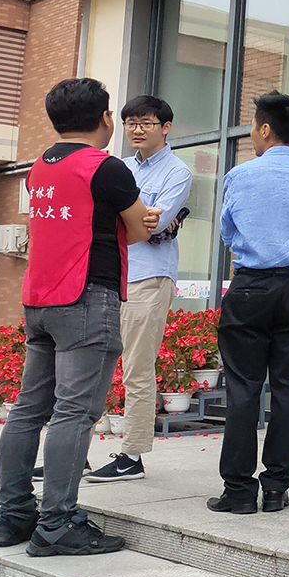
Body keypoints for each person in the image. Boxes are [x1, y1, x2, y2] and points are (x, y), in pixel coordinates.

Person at [0, 78, 160, 556]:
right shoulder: (106, 167)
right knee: (75, 412)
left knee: (28, 409)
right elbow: (138, 230)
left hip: (39, 300)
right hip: (87, 299)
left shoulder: (39, 168)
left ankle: (13, 515)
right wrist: (142, 220)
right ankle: (58, 523)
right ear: (105, 118)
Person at [209, 92, 289, 515]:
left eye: (252, 126)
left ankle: (239, 491)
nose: (251, 133)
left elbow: (228, 232)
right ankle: (277, 488)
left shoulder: (241, 175)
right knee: (288, 388)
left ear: (265, 129)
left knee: (243, 388)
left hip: (251, 287)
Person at [87, 96, 193, 484]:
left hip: (149, 278)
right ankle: (73, 454)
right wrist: (140, 217)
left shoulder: (178, 171)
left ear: (166, 127)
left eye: (146, 122)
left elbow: (153, 224)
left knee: (136, 369)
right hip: (111, 276)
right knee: (90, 369)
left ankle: (131, 456)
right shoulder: (120, 167)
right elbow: (129, 218)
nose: (136, 129)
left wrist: (135, 217)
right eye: (130, 122)